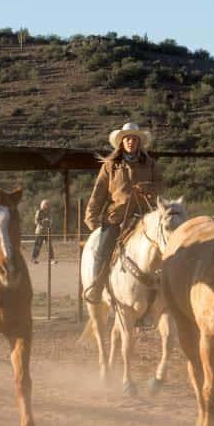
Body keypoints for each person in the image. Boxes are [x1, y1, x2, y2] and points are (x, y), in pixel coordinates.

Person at [83, 122, 163, 302]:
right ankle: (97, 286)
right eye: (127, 138)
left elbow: (161, 186)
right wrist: (91, 219)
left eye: (134, 138)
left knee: (165, 245)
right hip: (116, 218)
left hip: (145, 218)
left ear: (139, 142)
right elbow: (98, 193)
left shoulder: (150, 164)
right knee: (103, 248)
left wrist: (149, 187)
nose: (130, 142)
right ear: (122, 142)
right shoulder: (110, 166)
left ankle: (165, 292)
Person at [31, 199, 56, 264]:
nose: (47, 205)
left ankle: (52, 259)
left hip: (47, 231)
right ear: (42, 205)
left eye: (47, 204)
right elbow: (36, 221)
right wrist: (43, 221)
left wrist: (50, 222)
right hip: (40, 232)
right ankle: (34, 259)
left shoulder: (49, 212)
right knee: (37, 246)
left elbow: (51, 220)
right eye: (45, 204)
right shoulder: (39, 212)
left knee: (49, 246)